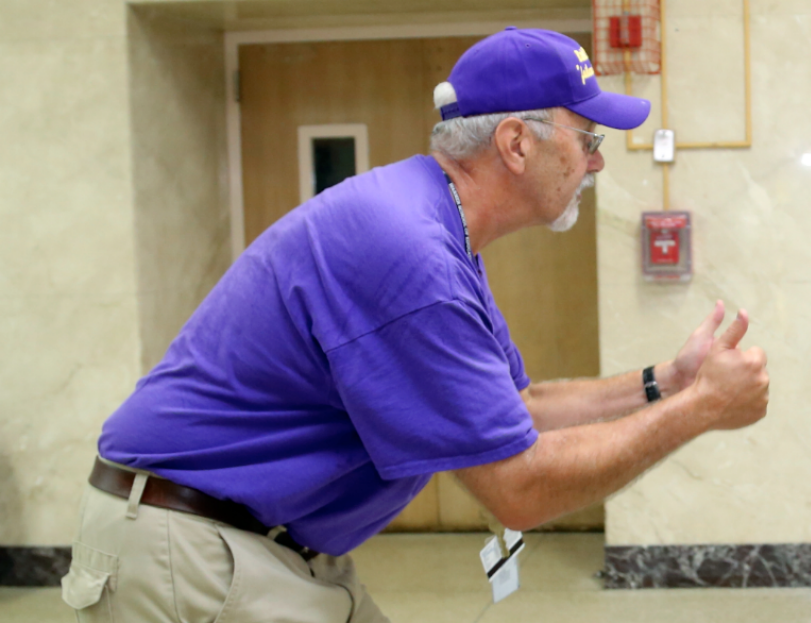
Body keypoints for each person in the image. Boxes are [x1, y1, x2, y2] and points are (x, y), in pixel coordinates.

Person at [60, 28, 770, 623]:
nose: (597, 159)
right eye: (586, 136)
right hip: (189, 544)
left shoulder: (435, 226)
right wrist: (702, 410)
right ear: (517, 144)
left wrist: (666, 383)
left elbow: (518, 411)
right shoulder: (409, 251)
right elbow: (517, 485)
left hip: (256, 541)